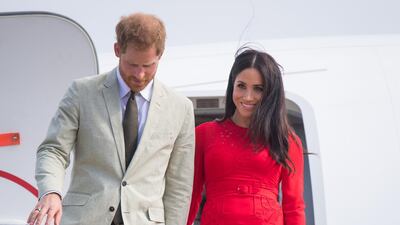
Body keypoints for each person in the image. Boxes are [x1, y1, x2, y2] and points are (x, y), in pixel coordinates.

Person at [27, 12, 195, 225]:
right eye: (132, 64)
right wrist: (50, 192)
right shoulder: (81, 92)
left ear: (160, 55)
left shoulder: (181, 108)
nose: (140, 74)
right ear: (117, 50)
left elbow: (179, 185)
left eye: (148, 65)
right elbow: (53, 150)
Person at [187, 47, 306, 225]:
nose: (248, 97)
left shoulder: (287, 141)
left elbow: (294, 207)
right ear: (232, 85)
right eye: (241, 86)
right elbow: (191, 196)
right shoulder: (204, 134)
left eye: (258, 89)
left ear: (270, 93)